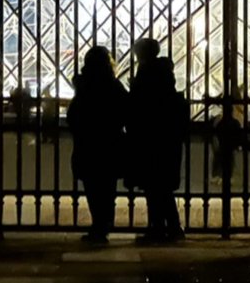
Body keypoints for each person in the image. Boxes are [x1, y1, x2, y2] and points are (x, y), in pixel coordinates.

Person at [127, 38, 189, 243]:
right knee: (161, 188)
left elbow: (140, 105)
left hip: (150, 138)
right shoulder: (164, 74)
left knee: (154, 189)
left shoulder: (146, 73)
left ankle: (159, 228)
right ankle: (170, 227)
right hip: (167, 138)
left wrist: (134, 87)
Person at [66, 46, 128, 244]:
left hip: (88, 144)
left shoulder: (85, 87)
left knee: (93, 188)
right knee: (107, 188)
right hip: (110, 143)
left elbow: (73, 115)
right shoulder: (114, 85)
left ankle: (98, 225)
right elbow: (125, 111)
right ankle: (104, 224)